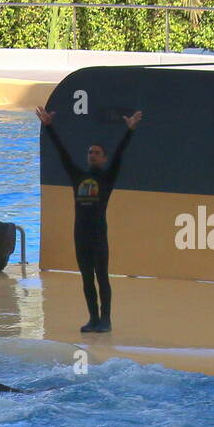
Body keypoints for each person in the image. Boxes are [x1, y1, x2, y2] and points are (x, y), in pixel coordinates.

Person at [36, 105, 144, 332]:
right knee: (86, 278)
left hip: (98, 234)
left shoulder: (107, 177)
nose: (92, 155)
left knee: (101, 276)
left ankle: (106, 319)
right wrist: (49, 127)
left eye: (96, 152)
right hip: (80, 234)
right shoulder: (78, 176)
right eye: (89, 152)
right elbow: (62, 153)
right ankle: (93, 318)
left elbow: (120, 154)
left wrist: (130, 131)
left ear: (104, 158)